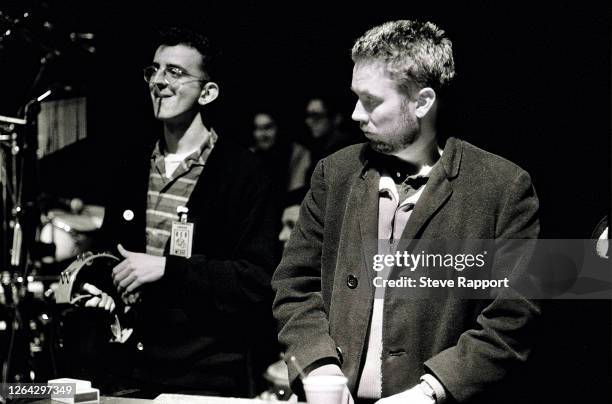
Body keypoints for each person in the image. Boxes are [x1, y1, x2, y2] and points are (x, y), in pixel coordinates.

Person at [272, 20, 540, 404]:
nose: (354, 115)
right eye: (355, 97)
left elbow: (514, 317)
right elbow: (294, 285)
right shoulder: (335, 174)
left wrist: (434, 390)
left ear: (422, 101)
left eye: (371, 101)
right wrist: (317, 365)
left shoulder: (502, 187)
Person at [91, 26, 278, 397]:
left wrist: (166, 269)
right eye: (154, 70)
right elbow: (112, 251)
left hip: (204, 374)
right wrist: (100, 286)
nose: (159, 81)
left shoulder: (244, 173)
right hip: (130, 367)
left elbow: (256, 280)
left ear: (207, 92)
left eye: (175, 72)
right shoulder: (132, 164)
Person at [250, 111, 311, 192]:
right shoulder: (250, 156)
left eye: (267, 127)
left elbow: (296, 192)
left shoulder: (296, 152)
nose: (262, 134)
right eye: (258, 128)